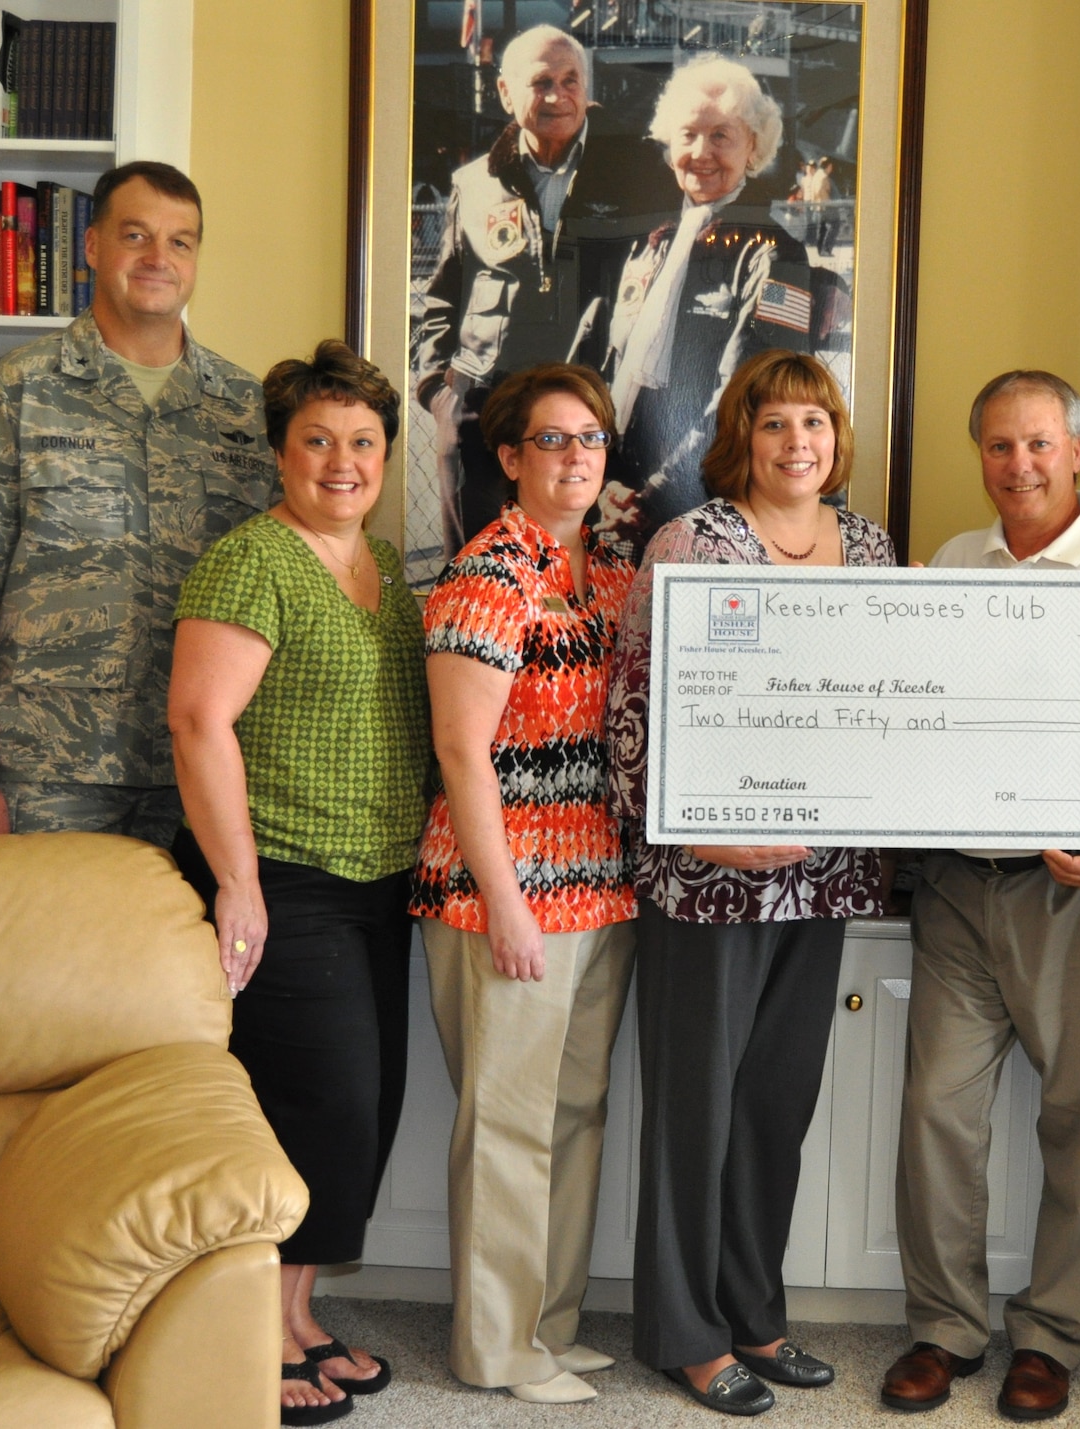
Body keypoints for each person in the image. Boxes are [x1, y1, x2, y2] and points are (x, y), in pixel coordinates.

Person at [878, 370, 1080, 1424]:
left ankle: (1049, 1336)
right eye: (999, 446)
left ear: (1076, 451)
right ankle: (942, 1327)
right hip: (960, 881)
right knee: (933, 1110)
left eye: (1039, 443)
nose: (1020, 465)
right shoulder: (952, 563)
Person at [606, 349, 892, 1417]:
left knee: (774, 1106)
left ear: (835, 437)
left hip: (820, 882)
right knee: (696, 1111)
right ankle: (683, 1332)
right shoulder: (693, 541)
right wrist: (700, 841)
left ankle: (754, 1312)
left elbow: (888, 701)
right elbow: (631, 712)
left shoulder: (868, 548)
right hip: (705, 886)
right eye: (774, 425)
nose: (796, 444)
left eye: (813, 424)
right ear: (742, 436)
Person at [166, 342, 427, 1427]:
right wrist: (236, 882)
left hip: (379, 879)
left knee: (361, 1113)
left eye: (361, 441)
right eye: (316, 439)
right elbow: (197, 720)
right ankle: (257, 1337)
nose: (341, 460)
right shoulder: (251, 561)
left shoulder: (389, 569)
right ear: (280, 452)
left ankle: (301, 1313)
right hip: (281, 876)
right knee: (315, 1105)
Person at [411, 361, 638, 1405]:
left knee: (575, 1111)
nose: (575, 457)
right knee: (505, 1125)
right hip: (500, 892)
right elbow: (460, 752)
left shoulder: (602, 572)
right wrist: (505, 902)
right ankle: (495, 1348)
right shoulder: (489, 572)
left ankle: (549, 1321)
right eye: (552, 440)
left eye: (590, 439)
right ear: (509, 457)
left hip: (598, 888)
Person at [0, 160, 273, 843]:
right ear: (91, 247)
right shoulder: (21, 389)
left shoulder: (246, 407)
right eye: (136, 235)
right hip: (50, 771)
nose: (158, 258)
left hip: (202, 764)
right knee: (48, 953)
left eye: (180, 241)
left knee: (192, 954)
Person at [412, 24, 667, 555]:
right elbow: (442, 297)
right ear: (506, 93)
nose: (558, 95)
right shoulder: (473, 183)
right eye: (541, 82)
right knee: (479, 573)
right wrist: (439, 392)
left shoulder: (637, 172)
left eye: (571, 80)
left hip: (587, 417)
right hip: (482, 415)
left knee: (583, 573)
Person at [594, 53, 823, 559]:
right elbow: (609, 369)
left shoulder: (776, 252)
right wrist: (600, 477)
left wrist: (653, 494)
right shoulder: (649, 242)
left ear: (753, 148)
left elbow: (751, 396)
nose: (701, 151)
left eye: (721, 135)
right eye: (688, 135)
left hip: (704, 497)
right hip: (617, 488)